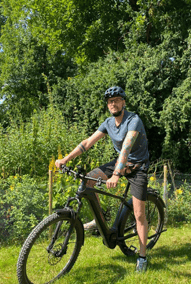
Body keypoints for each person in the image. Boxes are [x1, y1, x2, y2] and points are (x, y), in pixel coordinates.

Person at [55, 86, 150, 272]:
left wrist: (116, 174)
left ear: (123, 102)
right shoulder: (108, 123)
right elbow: (87, 143)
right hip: (120, 162)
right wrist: (66, 158)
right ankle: (100, 219)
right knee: (89, 179)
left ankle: (143, 256)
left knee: (139, 215)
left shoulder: (134, 120)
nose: (112, 104)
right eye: (109, 102)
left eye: (115, 100)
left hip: (137, 166)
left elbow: (126, 148)